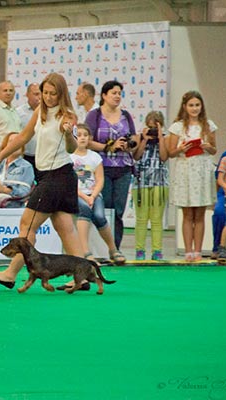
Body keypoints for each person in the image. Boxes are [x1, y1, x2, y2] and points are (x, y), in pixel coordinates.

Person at [0, 72, 83, 289]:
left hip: (57, 176)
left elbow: (72, 148)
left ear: (61, 94)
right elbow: (23, 137)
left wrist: (68, 134)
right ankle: (81, 276)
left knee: (27, 225)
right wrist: (1, 155)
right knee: (64, 227)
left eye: (53, 94)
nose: (47, 97)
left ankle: (10, 274)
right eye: (44, 93)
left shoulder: (68, 115)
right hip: (51, 177)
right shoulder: (40, 111)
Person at [85, 80, 137, 264]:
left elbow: (134, 139)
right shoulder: (95, 115)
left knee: (119, 210)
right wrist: (109, 146)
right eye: (113, 93)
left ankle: (116, 248)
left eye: (119, 93)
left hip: (123, 167)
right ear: (104, 95)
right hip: (102, 167)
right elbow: (87, 140)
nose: (117, 96)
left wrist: (129, 145)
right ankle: (102, 249)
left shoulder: (126, 116)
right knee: (104, 208)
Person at [168, 90, 217, 262]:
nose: (194, 108)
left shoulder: (208, 125)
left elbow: (214, 149)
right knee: (188, 214)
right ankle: (188, 251)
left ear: (201, 106)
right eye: (191, 105)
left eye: (197, 105)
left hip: (202, 170)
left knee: (200, 214)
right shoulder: (177, 127)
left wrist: (207, 146)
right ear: (184, 107)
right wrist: (181, 149)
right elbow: (170, 152)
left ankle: (198, 251)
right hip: (185, 170)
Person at [70, 124, 119, 263]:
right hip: (76, 195)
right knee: (84, 210)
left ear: (90, 138)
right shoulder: (68, 157)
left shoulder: (95, 157)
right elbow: (69, 183)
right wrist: (85, 197)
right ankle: (85, 252)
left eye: (85, 135)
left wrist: (92, 196)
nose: (82, 138)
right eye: (79, 135)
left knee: (99, 216)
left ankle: (113, 249)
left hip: (93, 194)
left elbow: (100, 179)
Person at [131, 111, 169, 261]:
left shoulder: (165, 139)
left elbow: (164, 157)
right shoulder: (139, 138)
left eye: (155, 127)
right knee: (141, 218)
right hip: (141, 183)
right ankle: (139, 250)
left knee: (157, 219)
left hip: (160, 182)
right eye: (150, 127)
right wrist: (144, 139)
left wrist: (160, 137)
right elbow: (136, 156)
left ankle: (157, 250)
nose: (152, 130)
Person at [15, 82, 41, 175]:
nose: (39, 97)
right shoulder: (18, 113)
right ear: (27, 94)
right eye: (36, 94)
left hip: (44, 157)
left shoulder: (48, 112)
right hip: (25, 157)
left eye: (41, 94)